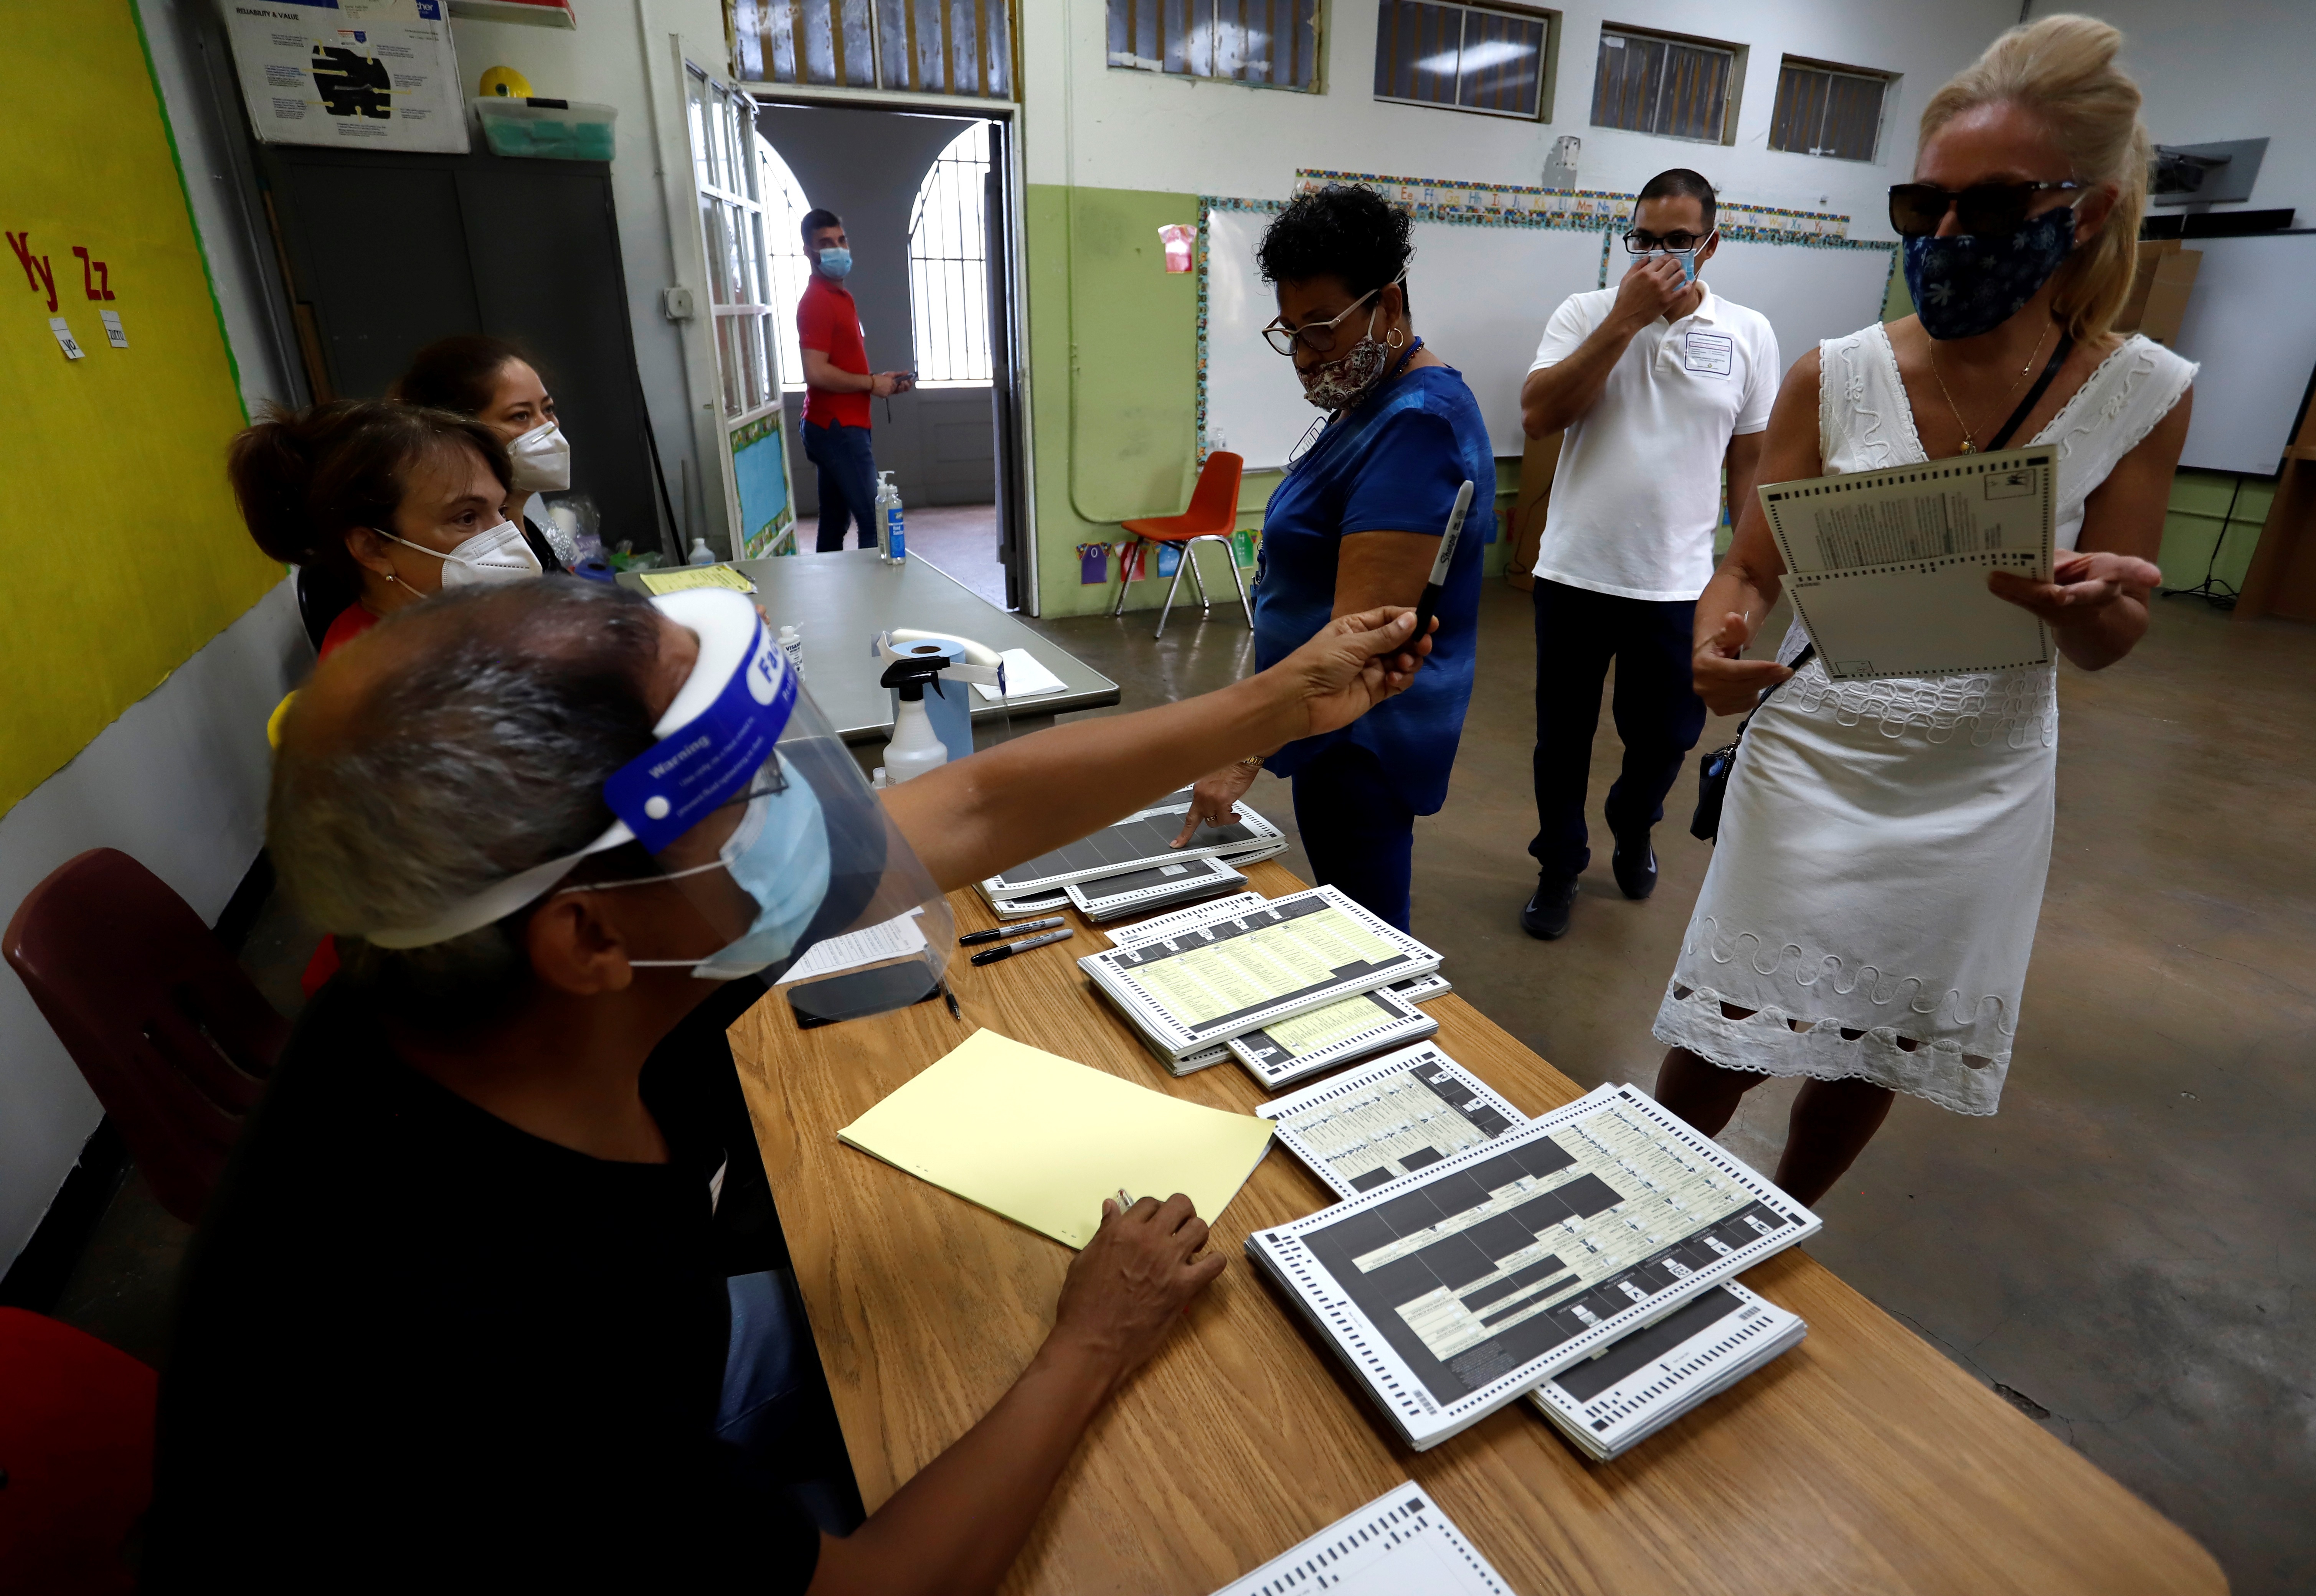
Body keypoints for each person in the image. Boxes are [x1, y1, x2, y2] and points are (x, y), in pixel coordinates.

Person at [145, 575, 1436, 1590]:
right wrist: (1089, 1345)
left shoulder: (528, 978)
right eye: (751, 791)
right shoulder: (476, 1354)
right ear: (589, 936)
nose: (800, 818)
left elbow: (972, 810)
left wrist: (1277, 702)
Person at [1647, 15, 2195, 1207]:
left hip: (1983, 776)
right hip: (1820, 746)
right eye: (1922, 207)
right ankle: (1642, 1214)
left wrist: (2083, 607)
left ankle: (1786, 1220)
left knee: (1879, 1040)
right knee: (1722, 1039)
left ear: (2086, 213)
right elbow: (1747, 570)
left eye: (1989, 209)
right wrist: (1713, 639)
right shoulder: (1833, 377)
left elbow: (2113, 636)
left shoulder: (2140, 393)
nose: (1947, 237)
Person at [1174, 183, 1494, 933]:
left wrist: (1240, 749)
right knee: (1347, 910)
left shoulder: (1418, 427)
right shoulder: (1371, 405)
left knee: (1367, 930)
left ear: (1388, 304)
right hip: (1316, 721)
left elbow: (1358, 641)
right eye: (1290, 332)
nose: (1305, 357)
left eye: (1322, 329)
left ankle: (1380, 1046)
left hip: (1361, 735)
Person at [1516, 169, 1780, 935]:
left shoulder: (1748, 333)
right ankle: (1559, 863)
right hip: (1574, 572)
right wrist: (1623, 321)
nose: (1658, 255)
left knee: (1665, 735)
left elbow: (1750, 462)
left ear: (1712, 245)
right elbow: (1539, 416)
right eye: (1643, 240)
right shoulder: (1585, 313)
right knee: (1561, 739)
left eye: (1677, 242)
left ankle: (1634, 824)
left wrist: (1749, 582)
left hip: (1676, 584)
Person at [228, 398, 550, 661]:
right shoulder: (386, 690)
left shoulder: (450, 633)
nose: (508, 538)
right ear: (372, 548)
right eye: (467, 518)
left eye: (501, 510)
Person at [393, 333, 580, 568]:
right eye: (521, 415)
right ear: (461, 428)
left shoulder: (524, 519)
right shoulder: (482, 551)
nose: (549, 427)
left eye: (548, 409)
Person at [796, 208, 915, 552]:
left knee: (835, 521)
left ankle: (836, 597)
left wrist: (882, 381)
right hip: (837, 429)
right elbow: (815, 372)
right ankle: (873, 603)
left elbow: (843, 364)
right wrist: (870, 384)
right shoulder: (817, 301)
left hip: (838, 425)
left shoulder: (840, 297)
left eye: (841, 240)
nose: (837, 248)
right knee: (875, 519)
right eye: (825, 243)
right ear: (809, 251)